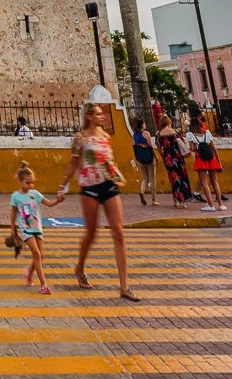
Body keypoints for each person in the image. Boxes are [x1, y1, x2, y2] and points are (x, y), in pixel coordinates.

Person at [58, 102, 140, 302]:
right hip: (89, 187)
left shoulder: (105, 137)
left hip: (109, 185)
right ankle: (79, 267)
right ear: (88, 116)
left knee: (118, 232)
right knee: (92, 232)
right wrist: (63, 186)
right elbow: (73, 163)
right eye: (98, 114)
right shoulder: (80, 138)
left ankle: (124, 287)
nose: (102, 117)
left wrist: (117, 174)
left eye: (102, 114)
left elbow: (109, 160)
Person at [9, 161, 65, 294]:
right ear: (21, 181)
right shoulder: (15, 196)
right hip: (26, 230)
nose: (31, 185)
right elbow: (13, 213)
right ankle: (43, 285)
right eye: (28, 183)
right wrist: (12, 229)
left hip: (37, 228)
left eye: (32, 182)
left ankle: (28, 272)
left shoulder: (36, 194)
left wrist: (58, 200)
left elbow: (49, 203)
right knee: (37, 254)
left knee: (39, 256)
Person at [188, 108, 228, 211]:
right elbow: (214, 148)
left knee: (204, 183)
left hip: (200, 159)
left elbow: (192, 149)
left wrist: (195, 148)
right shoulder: (208, 133)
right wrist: (219, 161)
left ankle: (210, 205)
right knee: (215, 182)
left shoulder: (191, 135)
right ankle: (221, 204)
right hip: (211, 158)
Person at [155, 114, 192, 206]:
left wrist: (163, 156)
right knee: (181, 177)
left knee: (173, 178)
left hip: (168, 158)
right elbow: (182, 142)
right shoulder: (175, 132)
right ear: (169, 122)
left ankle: (176, 199)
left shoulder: (159, 134)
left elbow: (159, 147)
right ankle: (182, 200)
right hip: (178, 157)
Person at [132, 116, 157, 207]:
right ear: (142, 124)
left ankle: (142, 192)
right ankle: (153, 200)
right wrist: (156, 156)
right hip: (149, 157)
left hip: (140, 158)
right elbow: (150, 146)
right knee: (152, 178)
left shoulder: (134, 135)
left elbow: (135, 145)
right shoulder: (145, 133)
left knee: (145, 178)